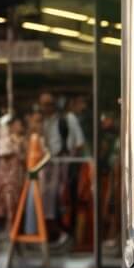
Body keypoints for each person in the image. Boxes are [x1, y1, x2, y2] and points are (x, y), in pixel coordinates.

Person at [38, 92, 85, 245]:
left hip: (64, 165)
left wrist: (71, 164)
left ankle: (66, 233)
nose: (46, 108)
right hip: (47, 167)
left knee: (62, 199)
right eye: (44, 104)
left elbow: (79, 143)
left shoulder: (66, 119)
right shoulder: (42, 123)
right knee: (47, 200)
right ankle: (53, 233)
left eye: (49, 104)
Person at [0, 114, 26, 237]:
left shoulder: (22, 141)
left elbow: (24, 159)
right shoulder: (5, 141)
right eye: (17, 125)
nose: (20, 127)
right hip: (4, 179)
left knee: (14, 209)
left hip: (16, 179)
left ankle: (13, 237)